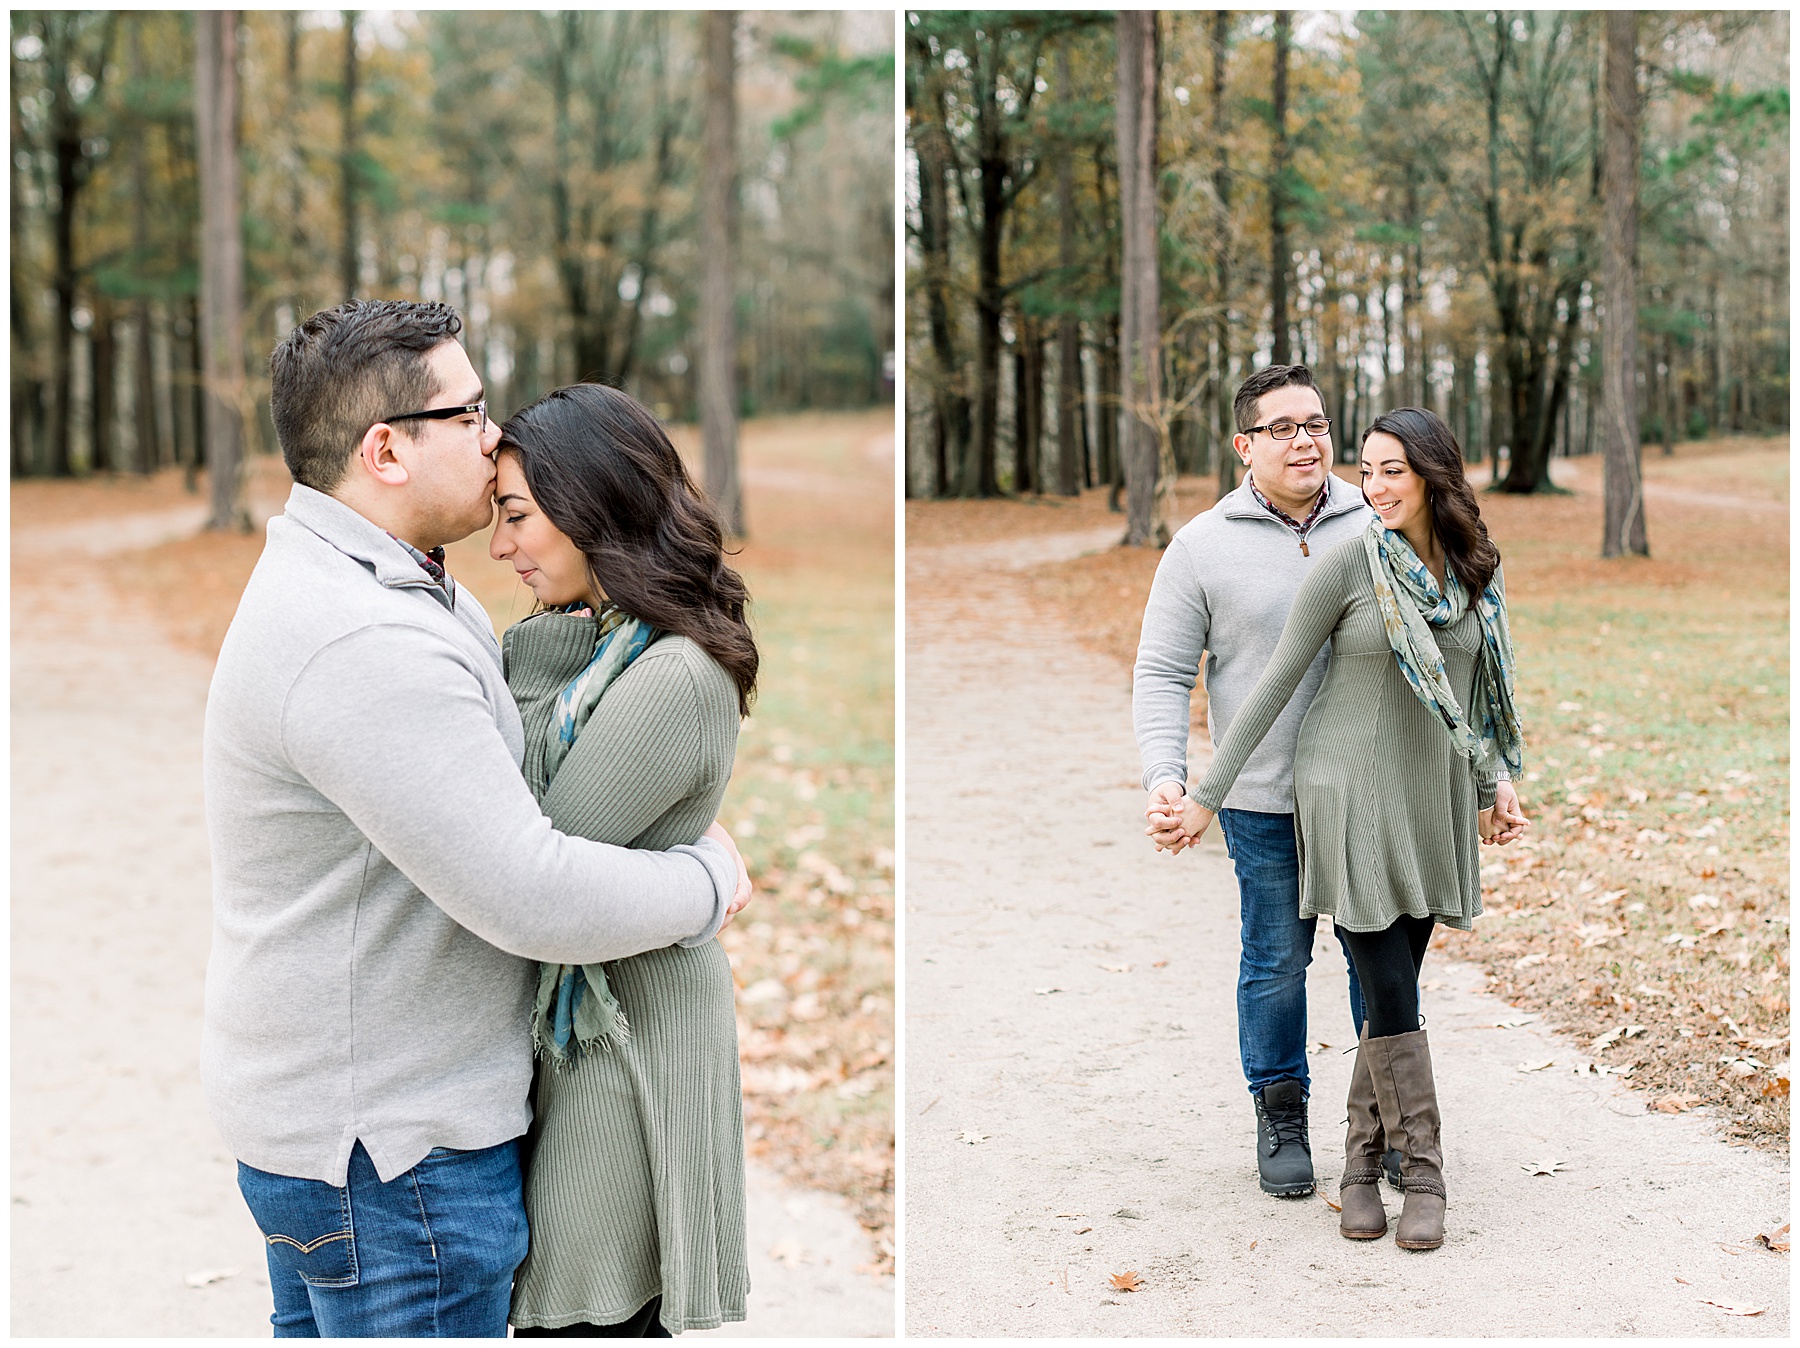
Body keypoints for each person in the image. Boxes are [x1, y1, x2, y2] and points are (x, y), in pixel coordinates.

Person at [201, 299, 751, 1338]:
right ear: (386, 450)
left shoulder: (392, 588)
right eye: (469, 413)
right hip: (392, 1158)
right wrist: (709, 881)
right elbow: (533, 893)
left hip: (358, 1135)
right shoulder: (363, 639)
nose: (494, 436)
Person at [1133, 365, 1525, 1200]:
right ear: (1244, 445)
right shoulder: (1203, 545)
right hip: (1263, 791)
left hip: (1379, 792)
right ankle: (1281, 1111)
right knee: (1275, 960)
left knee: (1375, 967)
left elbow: (1464, 670)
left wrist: (1490, 778)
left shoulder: (1380, 515)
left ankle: (1385, 1128)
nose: (1305, 440)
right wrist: (1175, 779)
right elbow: (1164, 672)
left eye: (1315, 423)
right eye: (1281, 427)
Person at [488, 385, 755, 1337]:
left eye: (517, 515)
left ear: (590, 505)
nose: (500, 546)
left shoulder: (673, 672)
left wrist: (531, 662)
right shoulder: (599, 650)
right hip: (589, 1023)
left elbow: (525, 861)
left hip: (623, 1044)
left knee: (584, 1321)